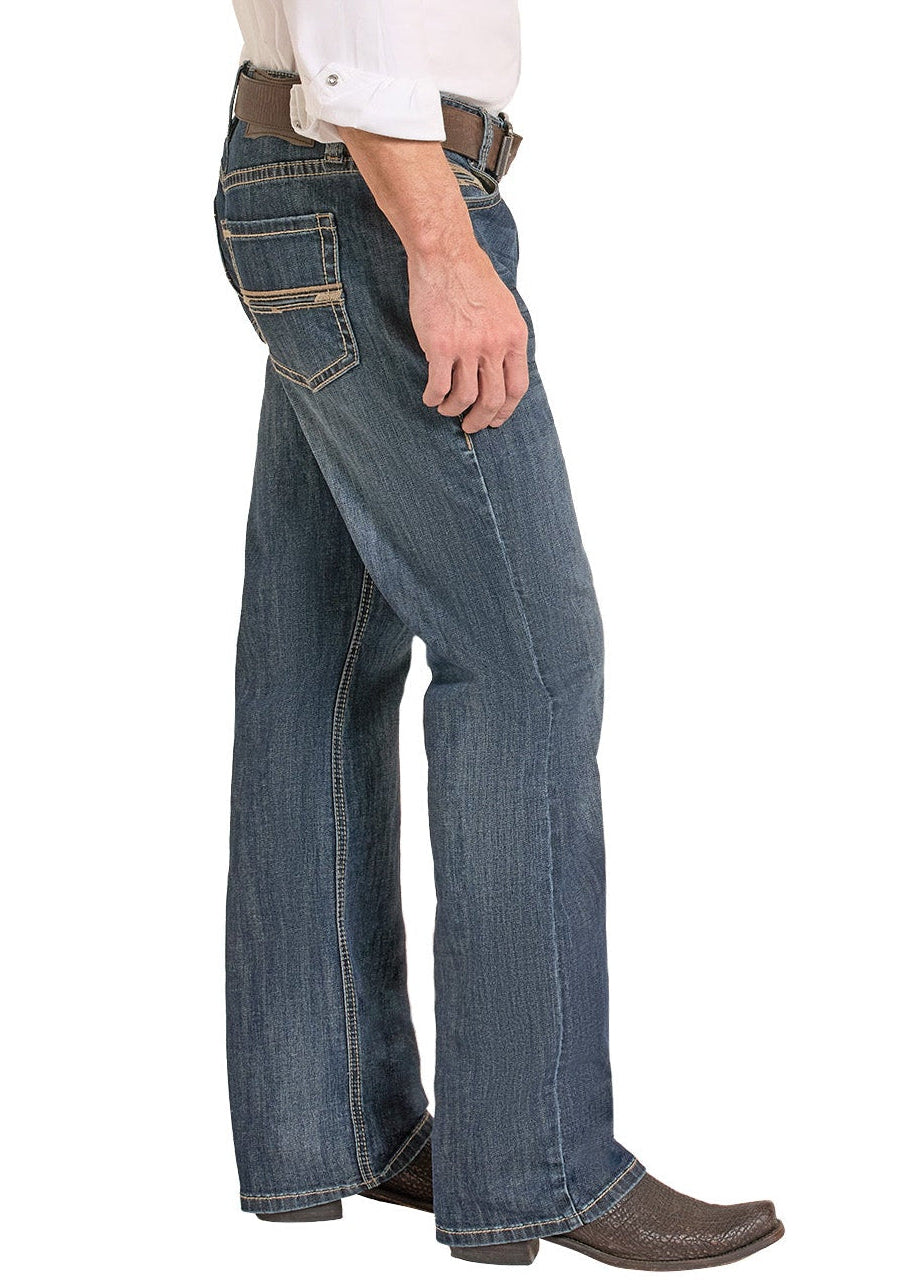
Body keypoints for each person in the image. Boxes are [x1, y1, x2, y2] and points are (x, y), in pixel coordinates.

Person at [214, 0, 784, 1269]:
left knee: (319, 656)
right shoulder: (404, 202)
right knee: (528, 661)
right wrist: (440, 241)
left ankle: (332, 1125)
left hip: (323, 172)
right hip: (378, 187)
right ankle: (535, 1163)